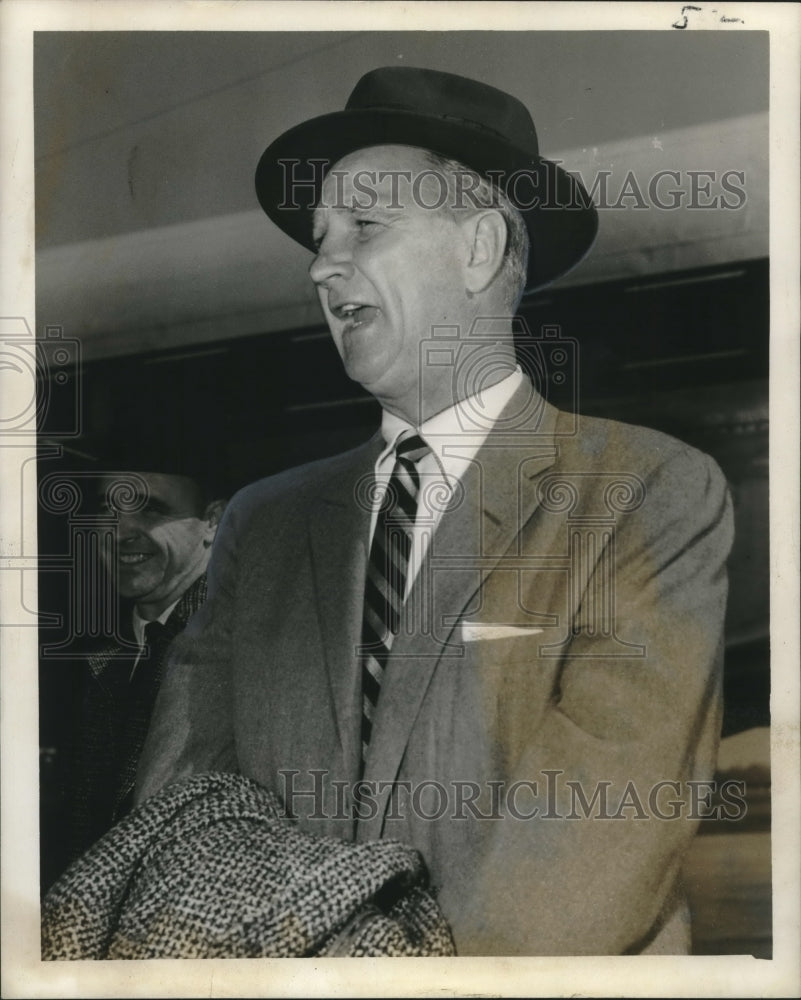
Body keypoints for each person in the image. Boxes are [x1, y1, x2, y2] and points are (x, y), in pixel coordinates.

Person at [136, 67, 734, 955]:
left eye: (365, 226)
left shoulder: (648, 490)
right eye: (319, 235)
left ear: (479, 248)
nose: (319, 266)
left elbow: (593, 837)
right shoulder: (263, 525)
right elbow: (182, 815)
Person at [67, 464, 226, 863]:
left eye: (151, 510)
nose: (120, 533)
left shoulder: (250, 647)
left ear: (213, 522)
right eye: (108, 510)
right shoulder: (87, 658)